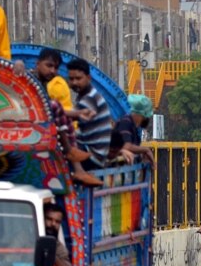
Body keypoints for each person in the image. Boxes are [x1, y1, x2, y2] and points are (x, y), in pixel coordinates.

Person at [30, 48, 100, 187]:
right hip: (28, 122)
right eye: (49, 65)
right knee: (56, 107)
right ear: (38, 64)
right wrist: (78, 114)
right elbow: (44, 109)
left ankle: (76, 163)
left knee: (60, 112)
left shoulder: (46, 84)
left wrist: (78, 114)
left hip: (42, 123)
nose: (53, 71)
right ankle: (71, 154)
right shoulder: (30, 80)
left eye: (56, 68)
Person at [66, 59, 112, 170]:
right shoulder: (90, 95)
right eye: (71, 79)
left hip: (92, 156)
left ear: (88, 78)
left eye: (78, 78)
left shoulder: (89, 99)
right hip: (95, 153)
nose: (74, 83)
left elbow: (66, 119)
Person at [113, 94, 155, 165]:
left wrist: (141, 152)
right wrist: (146, 150)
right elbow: (127, 146)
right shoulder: (126, 123)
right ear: (143, 115)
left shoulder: (133, 126)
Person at [44, 202, 73, 266]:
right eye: (49, 219)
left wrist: (53, 254)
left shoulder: (59, 248)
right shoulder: (24, 238)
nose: (53, 224)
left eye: (57, 222)